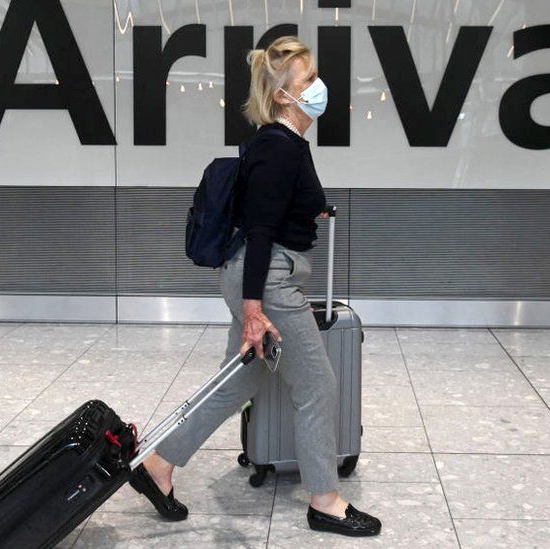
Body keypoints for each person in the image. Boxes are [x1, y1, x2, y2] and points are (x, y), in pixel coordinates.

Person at [127, 36, 382, 538]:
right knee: (316, 386)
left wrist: (310, 213)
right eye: (308, 81)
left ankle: (159, 465)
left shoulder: (283, 145)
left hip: (258, 274)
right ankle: (325, 501)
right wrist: (253, 309)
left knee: (238, 380)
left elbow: (269, 212)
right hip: (266, 282)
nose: (318, 87)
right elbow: (261, 230)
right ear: (284, 95)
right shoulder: (278, 149)